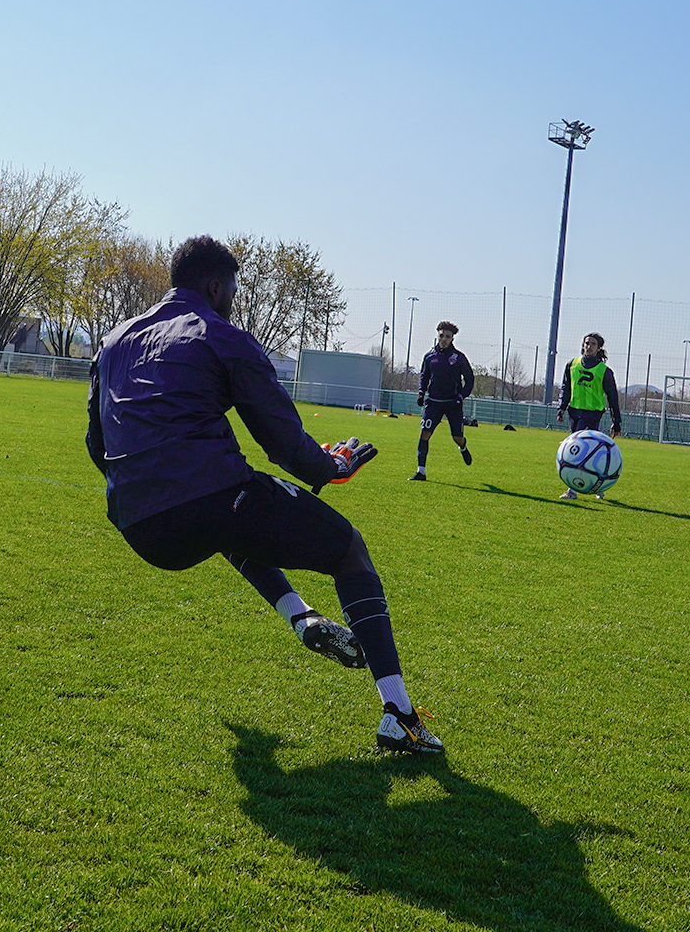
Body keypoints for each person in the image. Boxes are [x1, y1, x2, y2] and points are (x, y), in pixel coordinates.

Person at [86, 236, 442, 753]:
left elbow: (97, 444)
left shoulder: (114, 341)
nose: (233, 298)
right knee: (347, 550)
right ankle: (400, 715)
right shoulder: (221, 335)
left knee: (232, 512)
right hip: (206, 500)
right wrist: (332, 466)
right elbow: (283, 444)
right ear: (215, 285)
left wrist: (139, 487)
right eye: (232, 289)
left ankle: (301, 617)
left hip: (137, 524)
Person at [556, 333, 623, 500]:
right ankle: (598, 485)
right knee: (590, 451)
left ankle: (572, 491)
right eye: (587, 343)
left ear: (598, 348)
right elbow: (566, 388)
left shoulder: (604, 371)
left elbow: (612, 397)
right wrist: (561, 408)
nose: (589, 346)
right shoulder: (572, 365)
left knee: (577, 450)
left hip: (592, 414)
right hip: (575, 412)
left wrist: (617, 421)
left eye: (593, 344)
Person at [409, 321, 474, 482]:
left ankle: (463, 446)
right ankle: (421, 472)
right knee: (424, 434)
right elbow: (424, 376)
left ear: (452, 339)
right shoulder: (429, 356)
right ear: (437, 335)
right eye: (441, 336)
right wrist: (421, 393)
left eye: (447, 337)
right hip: (433, 403)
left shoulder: (458, 357)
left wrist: (461, 396)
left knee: (456, 437)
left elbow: (470, 380)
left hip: (453, 404)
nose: (444, 339)